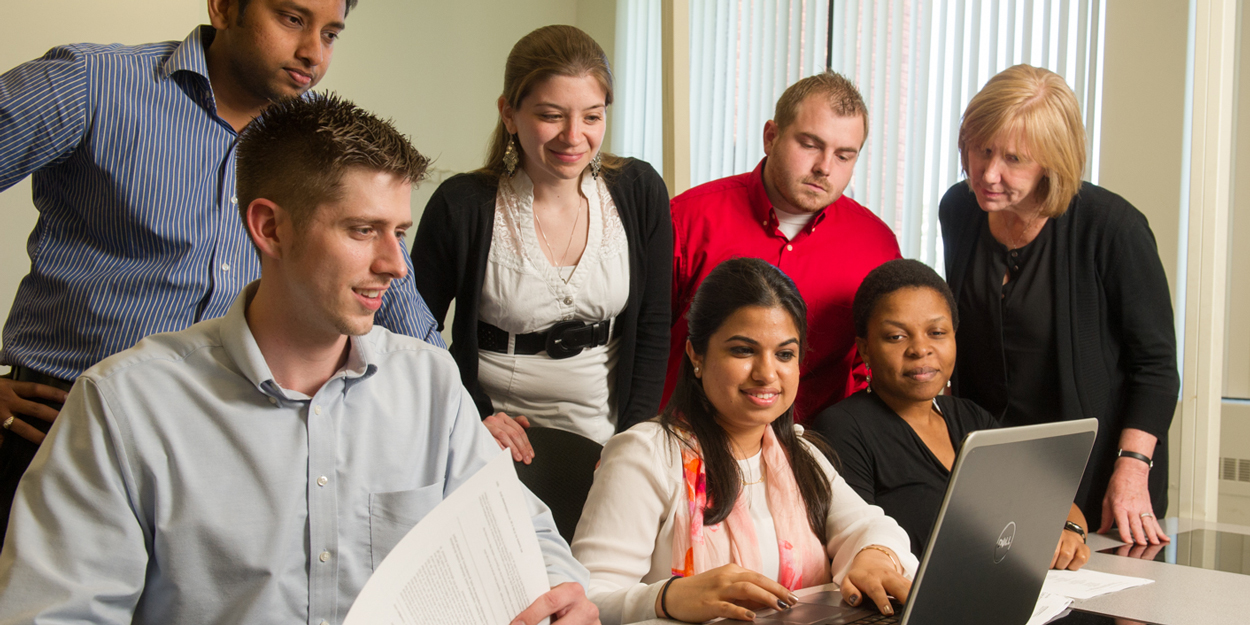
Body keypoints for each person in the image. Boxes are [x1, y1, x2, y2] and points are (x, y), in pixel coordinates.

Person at [0, 95, 595, 625]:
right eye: (363, 231)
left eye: (400, 233)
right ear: (269, 228)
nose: (395, 264)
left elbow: (522, 532)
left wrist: (563, 588)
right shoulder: (124, 406)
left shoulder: (430, 383)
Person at [0, 0, 444, 541]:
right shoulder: (91, 86)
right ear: (224, 7)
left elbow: (396, 300)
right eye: (292, 18)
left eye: (331, 34)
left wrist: (458, 413)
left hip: (229, 454)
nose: (313, 53)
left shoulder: (315, 148)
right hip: (59, 431)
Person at [572, 258, 915, 625]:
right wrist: (668, 596)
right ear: (696, 355)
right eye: (743, 350)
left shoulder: (798, 454)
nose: (767, 373)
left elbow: (870, 527)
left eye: (785, 354)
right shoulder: (645, 455)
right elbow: (586, 600)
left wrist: (875, 556)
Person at [939, 64, 1179, 546]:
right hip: (999, 468)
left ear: (1053, 160)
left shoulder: (1113, 229)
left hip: (1099, 477)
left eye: (1013, 159)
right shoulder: (960, 210)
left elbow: (1155, 368)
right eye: (981, 149)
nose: (989, 173)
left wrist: (1131, 472)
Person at [413, 25, 670, 457]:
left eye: (591, 116)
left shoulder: (639, 189)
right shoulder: (461, 205)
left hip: (608, 431)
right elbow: (413, 333)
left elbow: (653, 326)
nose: (573, 137)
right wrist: (473, 414)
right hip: (493, 431)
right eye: (551, 116)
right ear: (509, 114)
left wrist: (633, 439)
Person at [813, 259, 1091, 570]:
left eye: (937, 332)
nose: (921, 349)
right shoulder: (843, 428)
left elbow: (1055, 501)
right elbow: (859, 545)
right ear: (864, 349)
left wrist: (1070, 532)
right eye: (896, 336)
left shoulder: (972, 418)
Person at [665, 71, 900, 423]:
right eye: (810, 145)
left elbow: (873, 366)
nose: (824, 167)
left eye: (844, 156)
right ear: (771, 137)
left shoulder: (876, 245)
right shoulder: (686, 219)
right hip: (688, 442)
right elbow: (642, 344)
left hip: (812, 449)